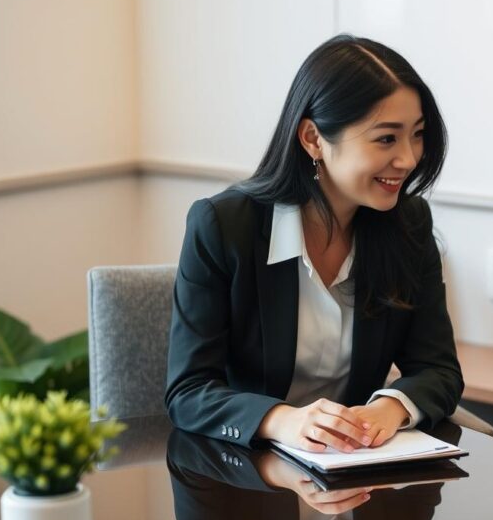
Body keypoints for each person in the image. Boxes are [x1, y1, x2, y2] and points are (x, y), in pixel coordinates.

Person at [165, 34, 463, 456]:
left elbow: (438, 369)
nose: (410, 158)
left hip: (356, 472)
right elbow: (188, 390)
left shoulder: (408, 224)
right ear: (312, 138)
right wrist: (284, 419)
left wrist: (390, 407)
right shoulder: (224, 226)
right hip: (248, 479)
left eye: (417, 135)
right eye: (386, 139)